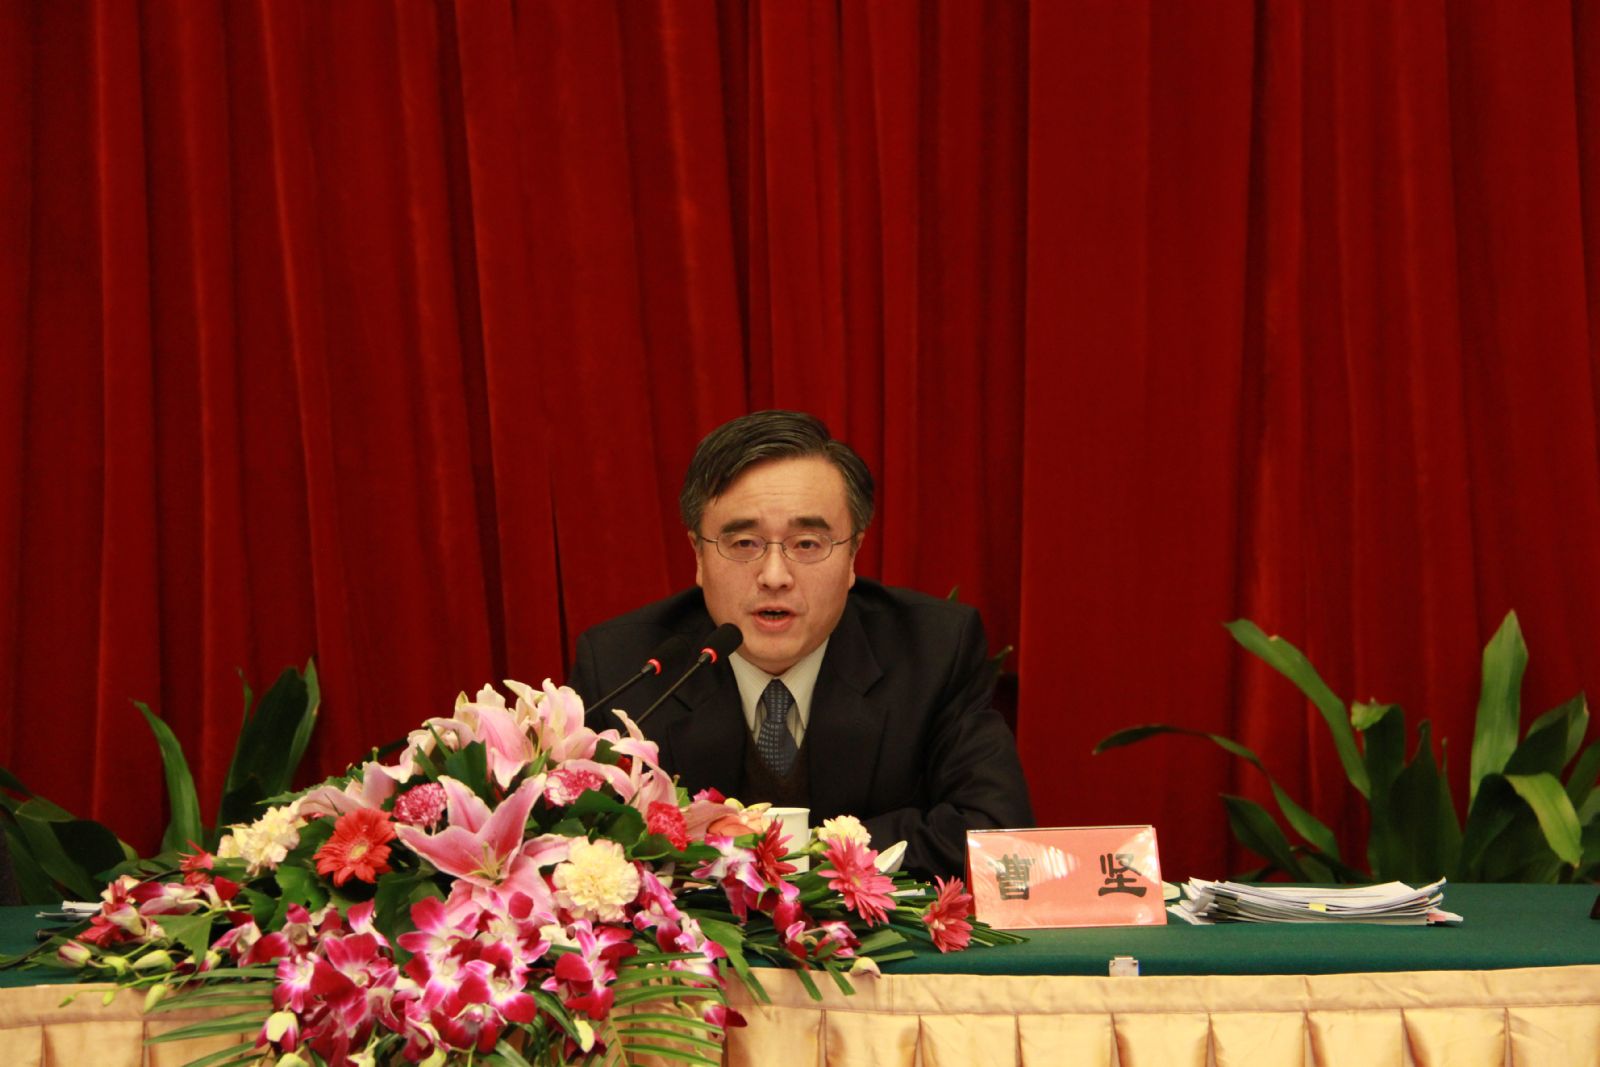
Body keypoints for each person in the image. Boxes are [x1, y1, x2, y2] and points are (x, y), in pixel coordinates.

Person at [572, 410, 1032, 876]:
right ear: (698, 554)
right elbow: (582, 845)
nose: (775, 576)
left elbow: (995, 832)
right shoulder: (626, 668)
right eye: (744, 543)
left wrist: (798, 857)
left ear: (852, 555)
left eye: (807, 544)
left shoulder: (933, 651)